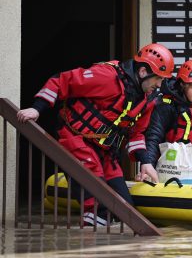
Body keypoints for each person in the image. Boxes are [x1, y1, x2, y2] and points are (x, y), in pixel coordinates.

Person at [17, 43, 175, 226]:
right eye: (158, 79)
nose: (159, 85)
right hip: (75, 137)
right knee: (100, 205)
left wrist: (145, 163)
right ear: (142, 72)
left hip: (105, 150)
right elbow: (60, 81)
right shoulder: (106, 77)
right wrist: (37, 109)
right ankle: (90, 245)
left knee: (126, 211)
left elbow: (136, 133)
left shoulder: (146, 101)